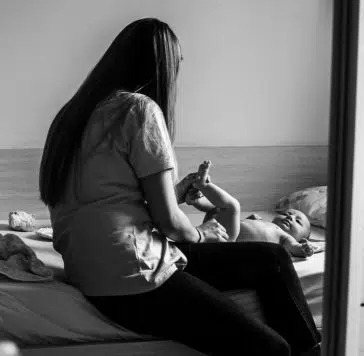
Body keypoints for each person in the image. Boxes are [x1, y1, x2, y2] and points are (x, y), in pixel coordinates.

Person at [39, 18, 321, 356]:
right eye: (179, 63)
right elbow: (171, 223)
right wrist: (204, 235)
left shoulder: (72, 116)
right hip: (132, 276)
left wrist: (172, 199)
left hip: (88, 272)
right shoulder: (138, 109)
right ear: (162, 65)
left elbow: (109, 201)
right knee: (273, 349)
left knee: (272, 257)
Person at [185, 161, 315, 258]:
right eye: (287, 213)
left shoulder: (285, 238)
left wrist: (304, 248)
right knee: (217, 210)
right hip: (217, 232)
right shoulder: (266, 223)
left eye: (298, 222)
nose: (290, 217)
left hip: (230, 243)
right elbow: (241, 226)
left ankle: (203, 185)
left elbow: (295, 248)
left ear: (301, 238)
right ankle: (196, 201)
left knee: (233, 207)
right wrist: (251, 220)